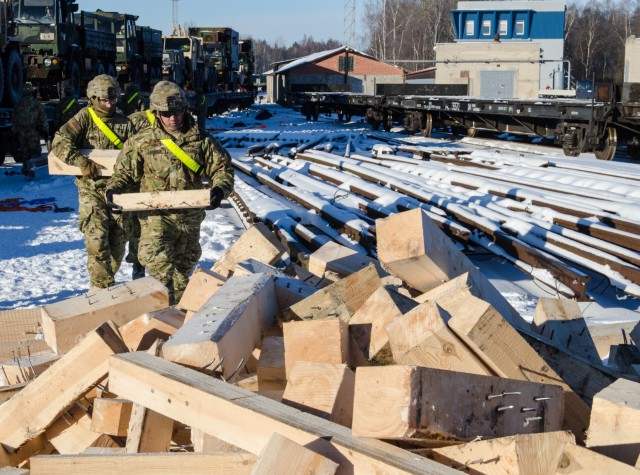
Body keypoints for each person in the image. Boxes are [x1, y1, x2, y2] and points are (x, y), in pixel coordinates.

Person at [106, 81, 234, 304]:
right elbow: (123, 173)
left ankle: (177, 317)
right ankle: (162, 310)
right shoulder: (142, 141)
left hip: (188, 217)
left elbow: (222, 169)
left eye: (177, 112)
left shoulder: (202, 140)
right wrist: (113, 189)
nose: (172, 118)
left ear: (185, 109)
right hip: (155, 215)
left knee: (183, 267)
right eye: (166, 113)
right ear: (156, 113)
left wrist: (219, 189)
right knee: (156, 261)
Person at [51, 74, 135, 290]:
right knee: (97, 241)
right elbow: (59, 143)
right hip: (92, 191)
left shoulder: (125, 123)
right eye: (105, 101)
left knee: (117, 245)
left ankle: (106, 281)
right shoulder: (83, 119)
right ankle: (99, 290)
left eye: (113, 100)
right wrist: (79, 160)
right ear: (94, 99)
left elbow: (139, 152)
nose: (110, 104)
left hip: (118, 192)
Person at [12, 82, 49, 178]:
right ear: (31, 91)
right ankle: (33, 171)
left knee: (25, 152)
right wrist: (45, 132)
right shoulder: (36, 105)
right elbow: (43, 120)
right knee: (35, 152)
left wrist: (15, 132)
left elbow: (14, 120)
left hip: (21, 132)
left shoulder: (18, 105)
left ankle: (26, 169)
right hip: (33, 132)